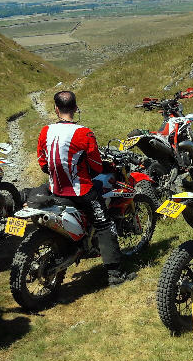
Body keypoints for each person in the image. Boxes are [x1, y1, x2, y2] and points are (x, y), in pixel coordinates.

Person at [36, 90, 136, 286]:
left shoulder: (45, 131)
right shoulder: (84, 133)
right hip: (80, 191)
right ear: (75, 107)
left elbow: (42, 163)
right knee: (104, 223)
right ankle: (115, 275)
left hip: (55, 188)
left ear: (56, 109)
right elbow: (97, 166)